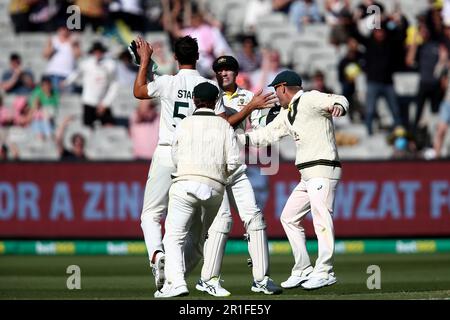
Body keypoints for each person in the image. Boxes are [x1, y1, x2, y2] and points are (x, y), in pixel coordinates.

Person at [131, 35, 275, 291]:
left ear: (175, 57)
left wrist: (144, 62)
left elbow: (139, 91)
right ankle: (182, 275)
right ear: (198, 57)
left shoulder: (167, 82)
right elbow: (223, 123)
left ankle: (158, 257)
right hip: (197, 160)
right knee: (198, 235)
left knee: (152, 215)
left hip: (167, 152)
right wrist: (251, 107)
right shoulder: (208, 86)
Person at [238, 70, 349, 290]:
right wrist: (233, 138)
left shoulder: (309, 99)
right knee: (288, 217)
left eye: (276, 90)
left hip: (323, 168)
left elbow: (339, 99)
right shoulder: (287, 113)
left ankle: (325, 270)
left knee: (321, 219)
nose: (276, 95)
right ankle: (303, 268)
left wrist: (340, 107)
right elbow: (264, 136)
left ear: (283, 87)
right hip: (307, 175)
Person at [197, 56, 281, 297]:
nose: (224, 73)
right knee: (220, 222)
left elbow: (258, 125)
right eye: (219, 70)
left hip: (235, 165)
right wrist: (252, 107)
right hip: (211, 167)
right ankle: (208, 278)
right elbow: (220, 126)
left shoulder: (247, 97)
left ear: (236, 72)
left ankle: (261, 278)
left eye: (228, 70)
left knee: (254, 217)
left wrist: (274, 121)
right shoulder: (207, 95)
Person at [155, 82, 241, 298]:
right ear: (215, 102)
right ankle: (208, 278)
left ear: (194, 100)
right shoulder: (224, 125)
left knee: (174, 237)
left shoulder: (184, 124)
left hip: (185, 184)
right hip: (215, 188)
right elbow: (233, 162)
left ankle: (177, 283)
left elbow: (174, 156)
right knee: (208, 235)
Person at [63, 41, 117, 128]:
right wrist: (66, 82)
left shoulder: (110, 65)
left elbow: (114, 85)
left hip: (102, 102)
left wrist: (105, 103)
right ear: (92, 52)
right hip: (88, 101)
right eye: (96, 51)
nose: (98, 54)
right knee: (87, 127)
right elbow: (76, 73)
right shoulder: (86, 64)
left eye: (100, 51)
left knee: (109, 126)